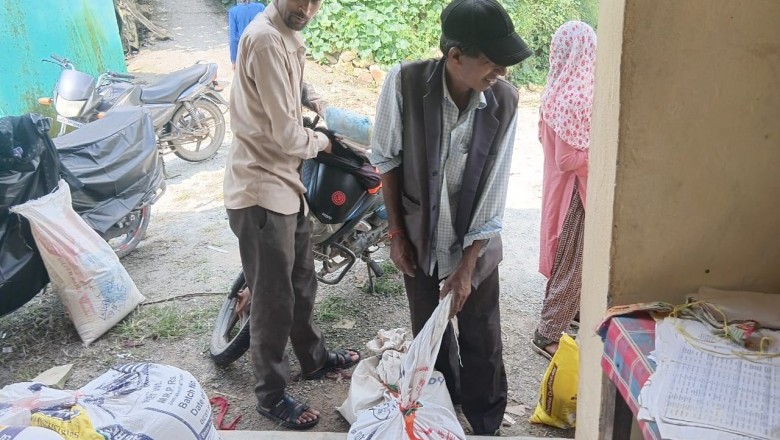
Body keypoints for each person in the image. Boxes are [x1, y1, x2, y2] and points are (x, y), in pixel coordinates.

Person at [369, 0, 532, 435]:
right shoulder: (404, 83)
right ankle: (439, 413)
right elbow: (387, 160)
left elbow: (494, 191)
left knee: (482, 338)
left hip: (474, 244)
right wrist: (397, 233)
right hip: (419, 239)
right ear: (455, 56)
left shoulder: (504, 101)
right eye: (492, 62)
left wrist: (465, 268)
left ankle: (485, 423)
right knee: (430, 335)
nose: (500, 71)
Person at [223, 0, 359, 430]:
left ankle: (314, 360)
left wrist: (314, 99)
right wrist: (324, 142)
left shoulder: (284, 32)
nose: (308, 7)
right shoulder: (264, 39)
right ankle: (271, 394)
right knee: (273, 300)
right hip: (261, 189)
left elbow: (288, 87)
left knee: (302, 282)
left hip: (286, 186)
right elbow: (286, 135)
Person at [532, 21, 596, 359]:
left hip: (561, 189)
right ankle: (547, 332)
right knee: (574, 260)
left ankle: (572, 312)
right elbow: (569, 157)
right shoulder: (578, 96)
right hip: (575, 192)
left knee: (569, 259)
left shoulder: (556, 89)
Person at [228, 0, 265, 70]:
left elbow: (233, 38)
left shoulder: (233, 11)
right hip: (261, 49)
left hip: (244, 52)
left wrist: (234, 60)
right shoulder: (261, 8)